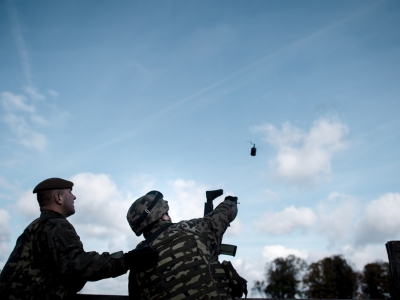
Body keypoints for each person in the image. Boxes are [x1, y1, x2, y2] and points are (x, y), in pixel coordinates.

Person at [0, 177, 159, 300]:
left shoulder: (36, 226)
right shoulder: (56, 225)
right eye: (70, 192)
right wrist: (127, 260)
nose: (74, 197)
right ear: (58, 198)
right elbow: (77, 265)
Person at [126, 190, 238, 300]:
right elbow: (224, 213)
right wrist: (230, 202)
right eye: (166, 213)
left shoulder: (137, 260)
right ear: (164, 217)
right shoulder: (192, 228)